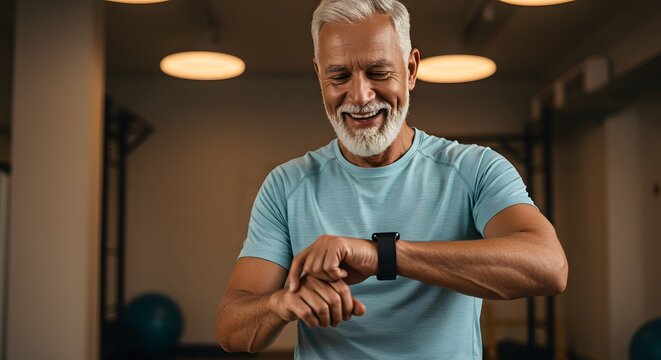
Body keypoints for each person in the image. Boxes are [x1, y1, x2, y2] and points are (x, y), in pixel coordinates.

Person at [215, 0, 568, 358]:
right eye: (338, 76)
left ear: (411, 69)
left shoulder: (475, 169)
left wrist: (382, 255)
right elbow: (232, 330)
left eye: (378, 72)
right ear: (319, 75)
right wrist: (281, 303)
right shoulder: (286, 185)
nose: (360, 96)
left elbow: (549, 267)